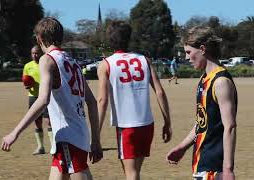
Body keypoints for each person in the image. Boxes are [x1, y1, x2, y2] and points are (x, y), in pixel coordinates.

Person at [1, 17, 103, 180]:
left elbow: (43, 100)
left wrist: (15, 132)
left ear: (39, 38)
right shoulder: (74, 62)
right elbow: (91, 102)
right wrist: (96, 141)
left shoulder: (47, 60)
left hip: (68, 136)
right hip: (78, 134)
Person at [97, 20, 172, 180]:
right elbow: (160, 92)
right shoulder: (144, 60)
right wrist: (167, 122)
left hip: (126, 126)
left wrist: (96, 133)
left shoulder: (106, 64)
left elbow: (102, 100)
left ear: (110, 40)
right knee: (134, 172)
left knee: (131, 174)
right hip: (146, 124)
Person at [166, 26, 237, 180]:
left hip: (214, 166)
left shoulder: (220, 82)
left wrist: (228, 169)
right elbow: (202, 122)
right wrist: (182, 147)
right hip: (201, 161)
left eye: (189, 52)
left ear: (202, 49)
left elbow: (229, 127)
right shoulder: (204, 79)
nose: (186, 57)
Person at [23, 45, 53, 155]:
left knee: (49, 122)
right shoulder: (27, 66)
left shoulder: (45, 64)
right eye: (33, 53)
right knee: (37, 122)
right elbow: (25, 80)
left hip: (46, 96)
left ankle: (53, 147)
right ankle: (40, 147)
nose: (35, 55)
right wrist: (27, 85)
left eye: (37, 53)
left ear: (41, 53)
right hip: (33, 97)